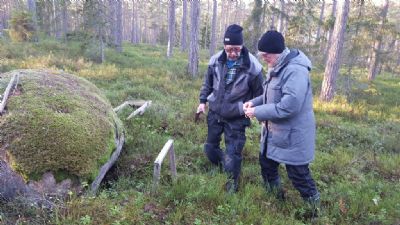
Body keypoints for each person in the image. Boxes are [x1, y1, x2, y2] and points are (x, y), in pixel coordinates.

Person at [244, 30, 320, 212]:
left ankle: (313, 208)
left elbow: (288, 106)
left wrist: (257, 112)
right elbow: (271, 96)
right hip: (275, 133)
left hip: (294, 136)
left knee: (298, 174)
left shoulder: (295, 70)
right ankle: (274, 198)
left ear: (275, 53)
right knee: (266, 164)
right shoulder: (276, 65)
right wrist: (253, 102)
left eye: (266, 56)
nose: (264, 59)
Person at [197, 24, 264, 192]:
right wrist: (202, 101)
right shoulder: (215, 61)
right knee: (210, 148)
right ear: (224, 47)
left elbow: (261, 95)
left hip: (237, 117)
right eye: (229, 50)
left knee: (233, 154)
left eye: (236, 49)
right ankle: (223, 166)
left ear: (242, 46)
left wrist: (257, 113)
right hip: (215, 113)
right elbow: (207, 84)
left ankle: (231, 183)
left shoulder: (253, 67)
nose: (233, 53)